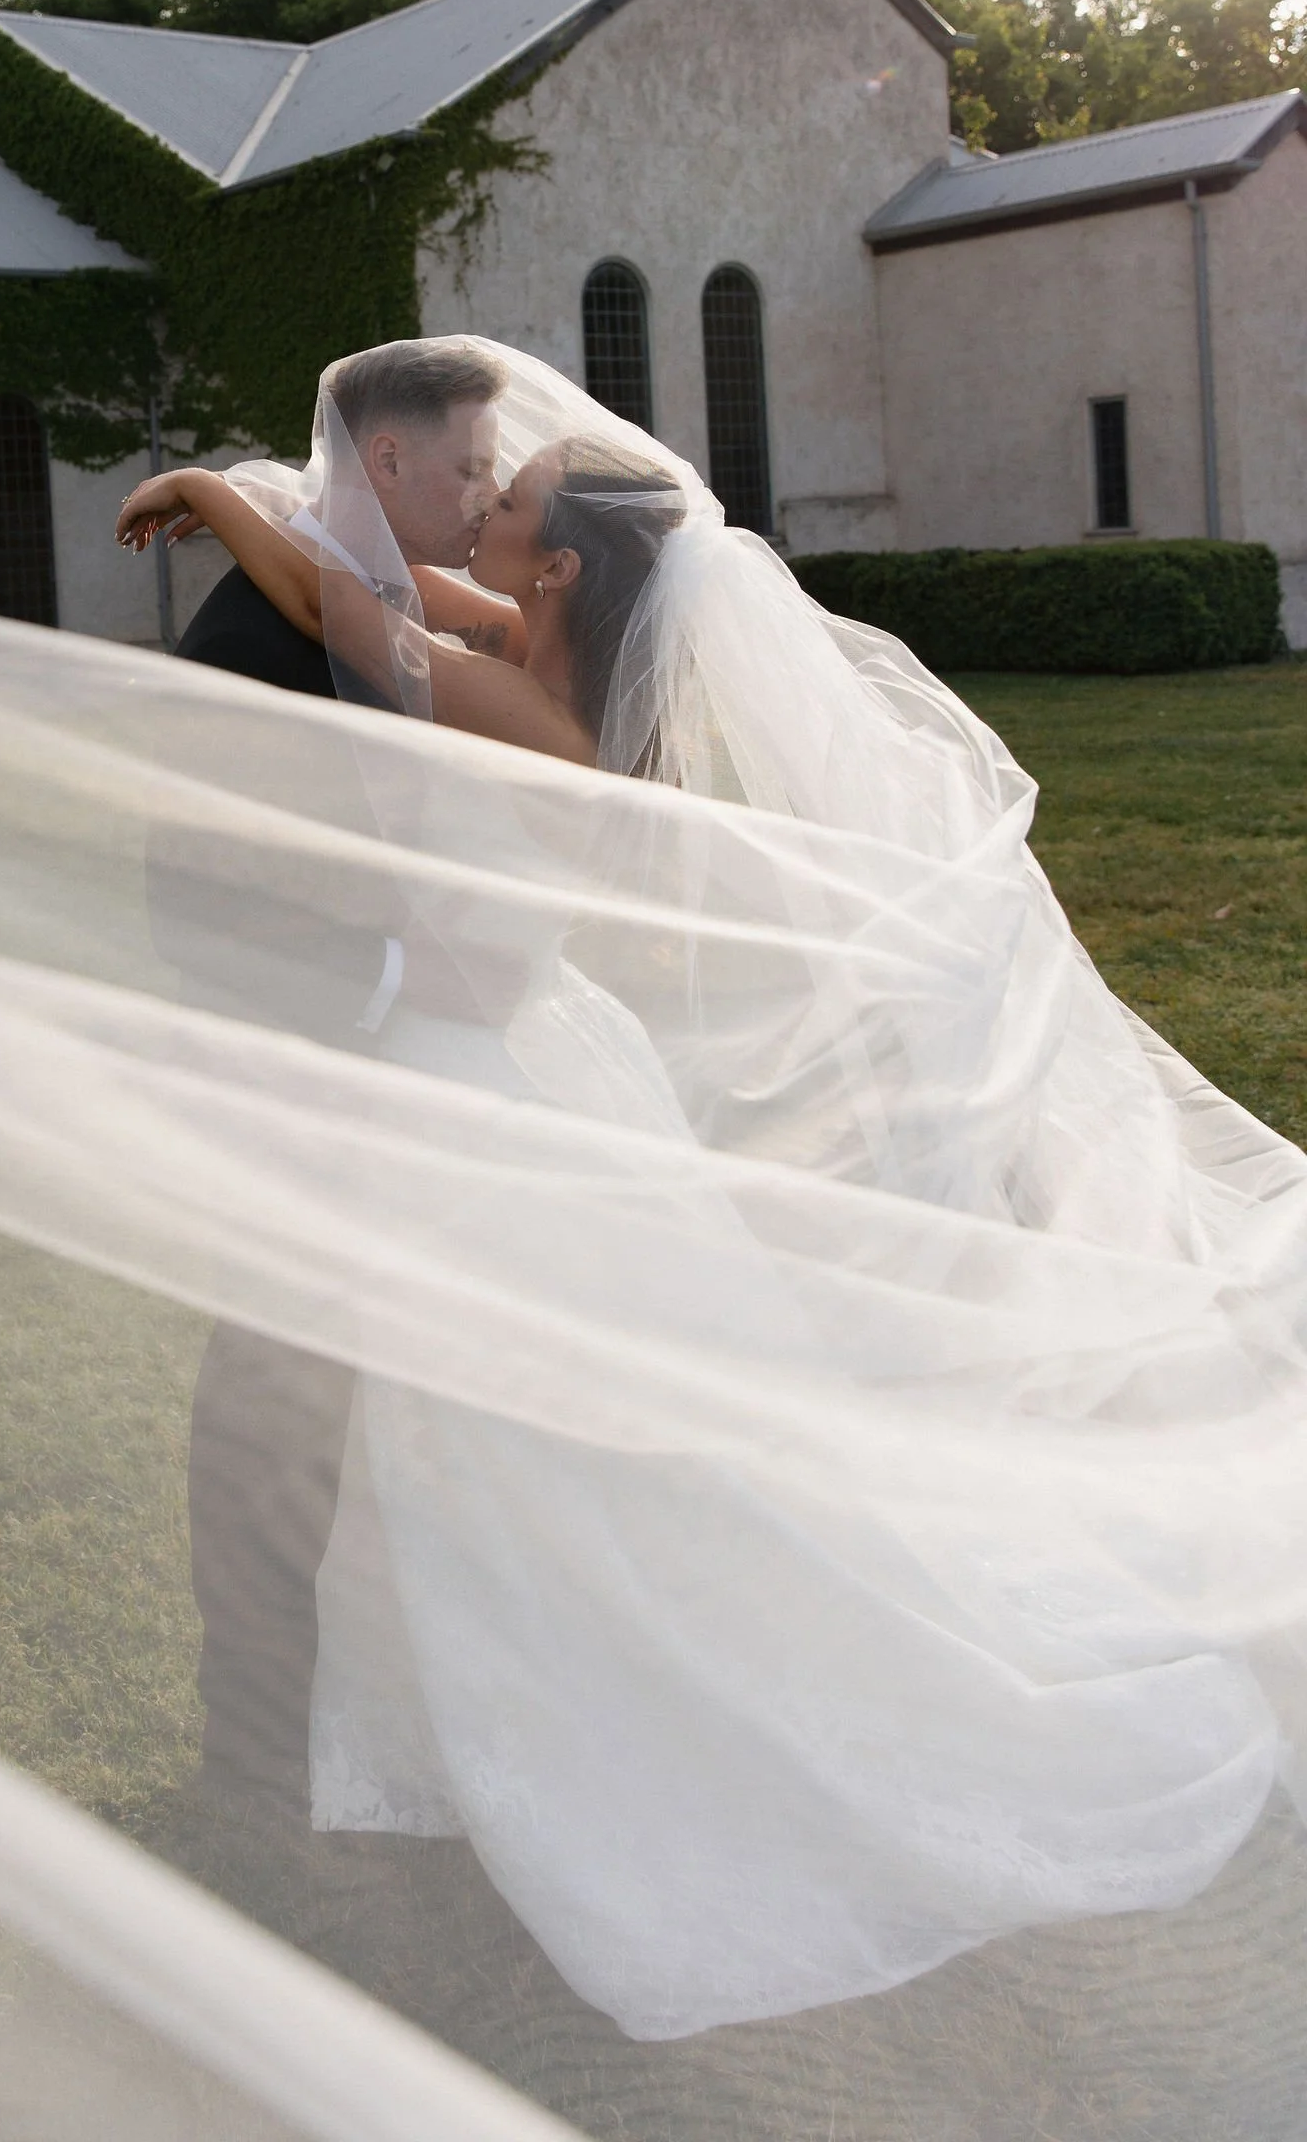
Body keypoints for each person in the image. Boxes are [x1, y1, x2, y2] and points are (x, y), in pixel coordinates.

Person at [120, 334, 1307, 2044]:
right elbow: (364, 591)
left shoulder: (530, 700)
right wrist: (279, 506)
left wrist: (220, 492)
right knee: (501, 1468)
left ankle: (572, 1746)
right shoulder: (542, 657)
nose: (487, 503)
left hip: (487, 1107)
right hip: (516, 1084)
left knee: (547, 1473)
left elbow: (335, 613)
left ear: (562, 563)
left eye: (507, 498)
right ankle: (421, 1735)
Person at [139, 338, 506, 1818]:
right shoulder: (259, 645)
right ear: (390, 466)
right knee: (272, 1424)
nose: (486, 493)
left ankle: (369, 1721)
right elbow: (205, 895)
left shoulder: (387, 604)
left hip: (416, 1073)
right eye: (468, 465)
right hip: (309, 1084)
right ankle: (259, 1756)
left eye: (500, 472)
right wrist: (406, 982)